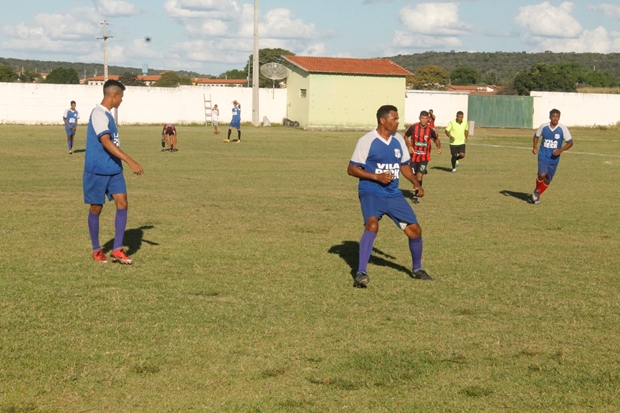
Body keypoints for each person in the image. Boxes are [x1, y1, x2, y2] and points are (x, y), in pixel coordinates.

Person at [347, 104, 433, 288]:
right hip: (371, 191)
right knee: (372, 224)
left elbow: (404, 165)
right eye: (394, 119)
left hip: (393, 194)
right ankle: (361, 273)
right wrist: (376, 176)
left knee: (415, 230)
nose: (397, 122)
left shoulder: (398, 140)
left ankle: (417, 269)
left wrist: (415, 183)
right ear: (382, 120)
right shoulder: (367, 140)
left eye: (397, 119)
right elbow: (352, 169)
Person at [83, 79, 144, 264]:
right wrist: (129, 160)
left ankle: (117, 249)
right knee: (96, 208)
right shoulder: (98, 114)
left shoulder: (108, 115)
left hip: (114, 169)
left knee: (122, 203)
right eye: (121, 97)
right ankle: (96, 250)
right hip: (97, 170)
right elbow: (106, 141)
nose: (121, 101)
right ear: (114, 95)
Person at [531, 108, 573, 204]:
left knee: (547, 180)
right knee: (542, 174)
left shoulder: (563, 129)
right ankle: (537, 190)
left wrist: (560, 150)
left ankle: (537, 194)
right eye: (553, 116)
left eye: (557, 117)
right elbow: (536, 136)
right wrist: (535, 147)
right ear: (550, 117)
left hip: (554, 158)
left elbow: (570, 143)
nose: (555, 118)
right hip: (543, 155)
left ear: (559, 118)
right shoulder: (544, 126)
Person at [404, 110, 442, 203]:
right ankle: (417, 187)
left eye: (425, 118)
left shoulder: (431, 129)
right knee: (413, 176)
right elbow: (405, 136)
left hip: (424, 158)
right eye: (422, 118)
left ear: (428, 119)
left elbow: (436, 139)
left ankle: (416, 195)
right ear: (419, 118)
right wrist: (409, 146)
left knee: (419, 176)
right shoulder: (413, 127)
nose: (424, 120)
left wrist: (439, 147)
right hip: (413, 157)